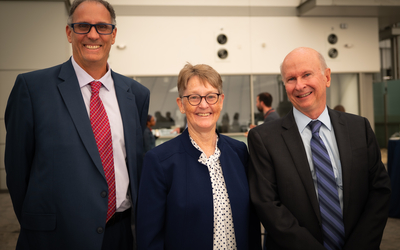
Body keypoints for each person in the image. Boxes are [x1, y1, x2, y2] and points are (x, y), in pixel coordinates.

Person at [4, 0, 150, 249]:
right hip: (56, 238)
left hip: (122, 235)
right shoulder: (32, 89)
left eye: (103, 27)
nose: (93, 34)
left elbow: (134, 163)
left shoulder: (136, 94)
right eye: (83, 26)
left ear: (113, 35)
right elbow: (18, 173)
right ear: (69, 32)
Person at [247, 47, 391, 250]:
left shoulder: (359, 128)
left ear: (327, 77)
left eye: (307, 74)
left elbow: (379, 190)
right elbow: (268, 205)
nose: (299, 85)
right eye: (291, 79)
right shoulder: (264, 138)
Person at [137, 63, 261, 250]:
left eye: (211, 96)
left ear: (221, 101)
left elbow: (251, 223)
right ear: (181, 104)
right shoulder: (160, 161)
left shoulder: (239, 152)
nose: (204, 104)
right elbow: (150, 239)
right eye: (194, 97)